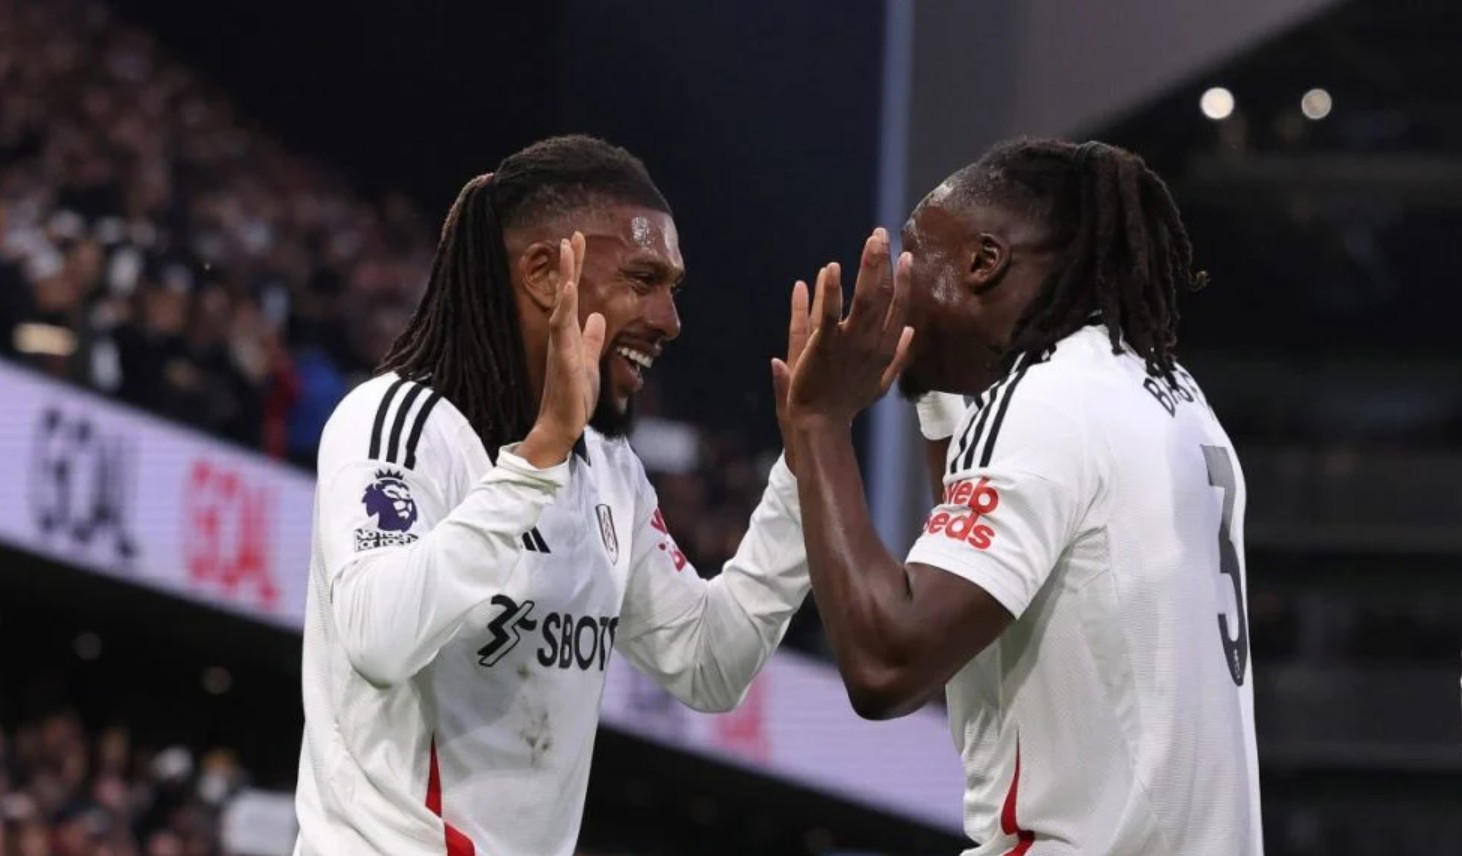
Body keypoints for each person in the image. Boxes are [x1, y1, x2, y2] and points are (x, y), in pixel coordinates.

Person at [293, 135, 810, 856]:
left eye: (673, 289)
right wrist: (537, 460)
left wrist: (809, 459)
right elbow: (378, 637)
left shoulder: (608, 468)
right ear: (544, 273)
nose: (669, 319)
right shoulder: (400, 424)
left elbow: (708, 662)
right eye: (642, 278)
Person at [773, 138, 1262, 855]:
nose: (889, 286)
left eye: (912, 255)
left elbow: (888, 663)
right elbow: (988, 575)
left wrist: (817, 424)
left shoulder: (1046, 402)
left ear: (982, 261)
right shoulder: (1172, 395)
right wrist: (932, 392)